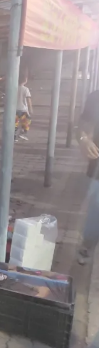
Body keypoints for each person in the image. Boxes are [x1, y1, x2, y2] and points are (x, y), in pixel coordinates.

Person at [77, 89, 99, 265]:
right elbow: (82, 126)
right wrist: (83, 139)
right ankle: (88, 244)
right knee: (96, 207)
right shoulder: (96, 97)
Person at [15, 74, 33, 141]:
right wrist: (30, 109)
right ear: (25, 80)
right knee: (26, 123)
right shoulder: (26, 89)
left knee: (15, 124)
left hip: (15, 109)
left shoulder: (14, 88)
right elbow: (28, 100)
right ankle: (22, 133)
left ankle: (14, 137)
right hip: (23, 110)